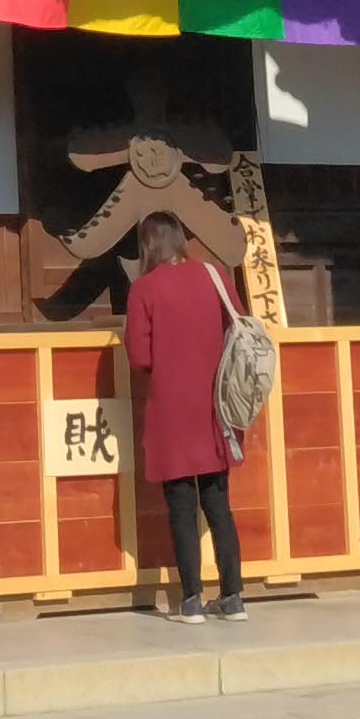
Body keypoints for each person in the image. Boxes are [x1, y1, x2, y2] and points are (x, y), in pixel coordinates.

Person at [122, 211, 245, 623]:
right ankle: (233, 598)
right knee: (218, 502)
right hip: (215, 407)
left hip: (171, 410)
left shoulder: (143, 290)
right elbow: (239, 328)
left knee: (181, 506)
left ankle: (191, 599)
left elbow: (139, 357)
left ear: (148, 246)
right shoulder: (215, 277)